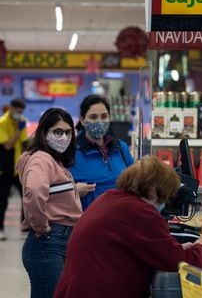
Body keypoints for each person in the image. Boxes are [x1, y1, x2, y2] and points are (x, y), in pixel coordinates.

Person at [54, 156, 202, 298]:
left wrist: (176, 248)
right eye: (165, 196)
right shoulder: (139, 212)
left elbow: (145, 248)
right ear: (153, 191)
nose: (164, 203)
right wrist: (201, 248)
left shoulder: (111, 199)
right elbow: (177, 262)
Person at [16, 108, 82, 298]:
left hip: (57, 242)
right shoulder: (41, 159)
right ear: (44, 133)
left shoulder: (54, 160)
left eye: (68, 132)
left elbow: (50, 191)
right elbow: (35, 191)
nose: (64, 137)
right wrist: (41, 226)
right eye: (57, 132)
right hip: (47, 243)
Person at [69, 94, 134, 210]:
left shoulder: (121, 148)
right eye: (93, 117)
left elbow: (135, 182)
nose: (99, 121)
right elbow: (54, 190)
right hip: (87, 223)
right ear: (82, 120)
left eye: (104, 116)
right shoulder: (70, 151)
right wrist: (72, 191)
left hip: (119, 220)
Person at [0, 98, 28, 240]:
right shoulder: (2, 123)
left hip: (18, 169)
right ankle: (0, 229)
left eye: (21, 111)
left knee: (27, 198)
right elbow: (8, 145)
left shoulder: (21, 122)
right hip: (4, 169)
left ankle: (25, 227)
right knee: (2, 200)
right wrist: (19, 129)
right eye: (18, 111)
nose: (19, 113)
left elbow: (24, 143)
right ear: (11, 108)